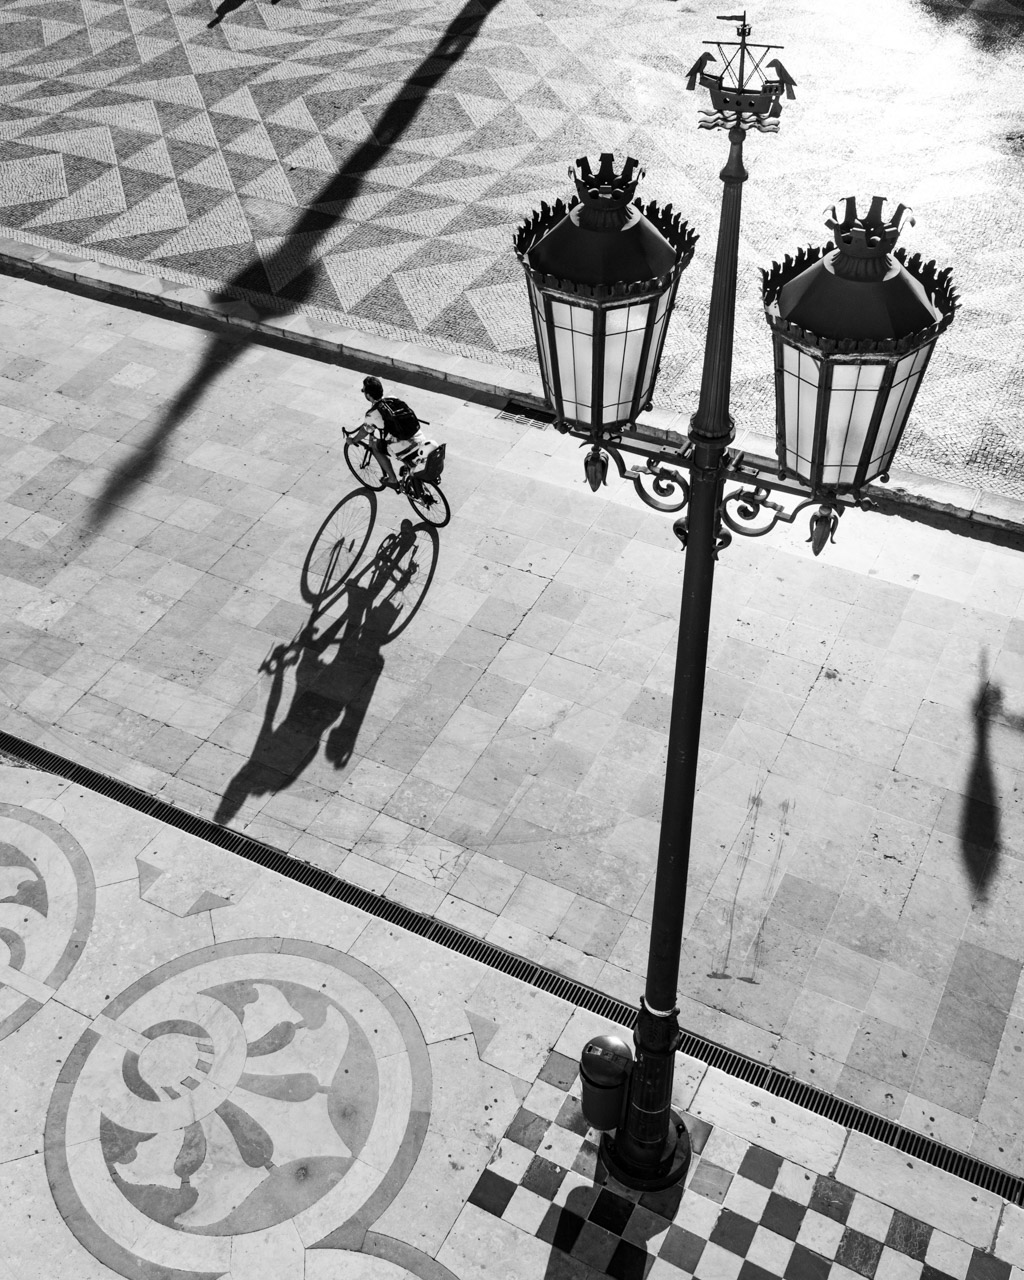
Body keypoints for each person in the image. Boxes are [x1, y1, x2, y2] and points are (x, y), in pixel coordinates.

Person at [360, 376, 425, 482]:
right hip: (419, 439)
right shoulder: (393, 398)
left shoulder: (371, 414)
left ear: (368, 395)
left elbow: (364, 431)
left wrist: (352, 440)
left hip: (405, 449)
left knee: (375, 447)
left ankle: (392, 478)